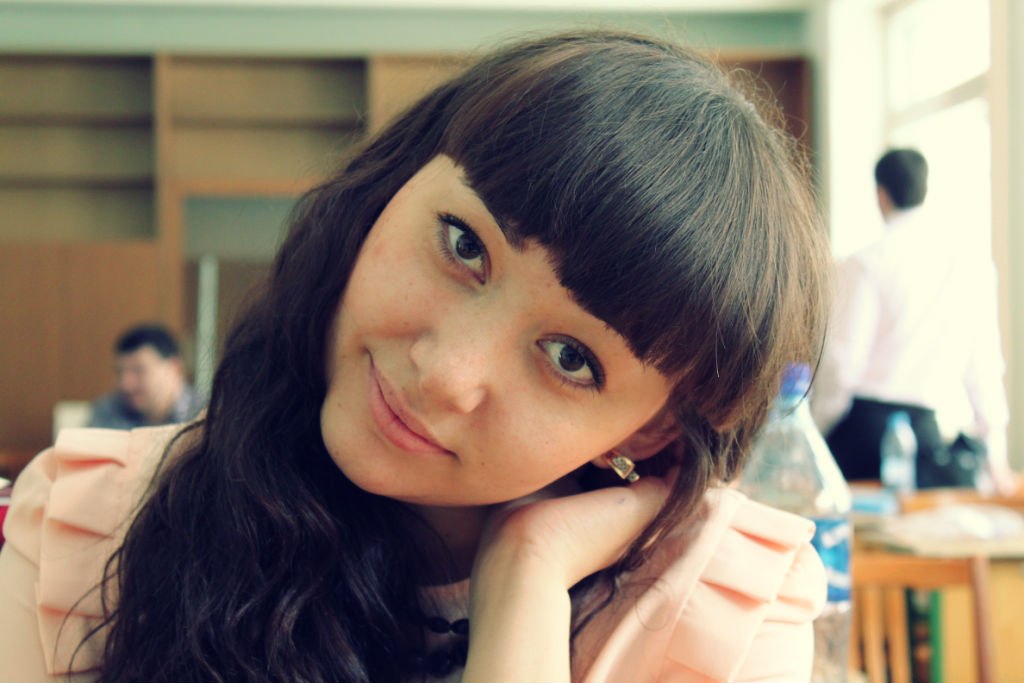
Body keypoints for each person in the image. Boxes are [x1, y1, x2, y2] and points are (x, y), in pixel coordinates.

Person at [0, 30, 831, 683]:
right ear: (391, 189)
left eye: (570, 357)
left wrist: (528, 578)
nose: (445, 372)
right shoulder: (93, 528)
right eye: (464, 244)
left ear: (648, 433)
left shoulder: (721, 615)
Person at [812, 148, 1015, 494]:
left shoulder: (866, 264)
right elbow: (983, 369)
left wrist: (818, 431)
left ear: (881, 193)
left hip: (863, 436)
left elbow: (842, 365)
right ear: (925, 187)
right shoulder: (971, 267)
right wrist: (996, 455)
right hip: (925, 437)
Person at [86, 323, 205, 430]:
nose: (125, 384)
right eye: (120, 372)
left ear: (174, 369)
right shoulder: (108, 411)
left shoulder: (204, 416)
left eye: (138, 370)